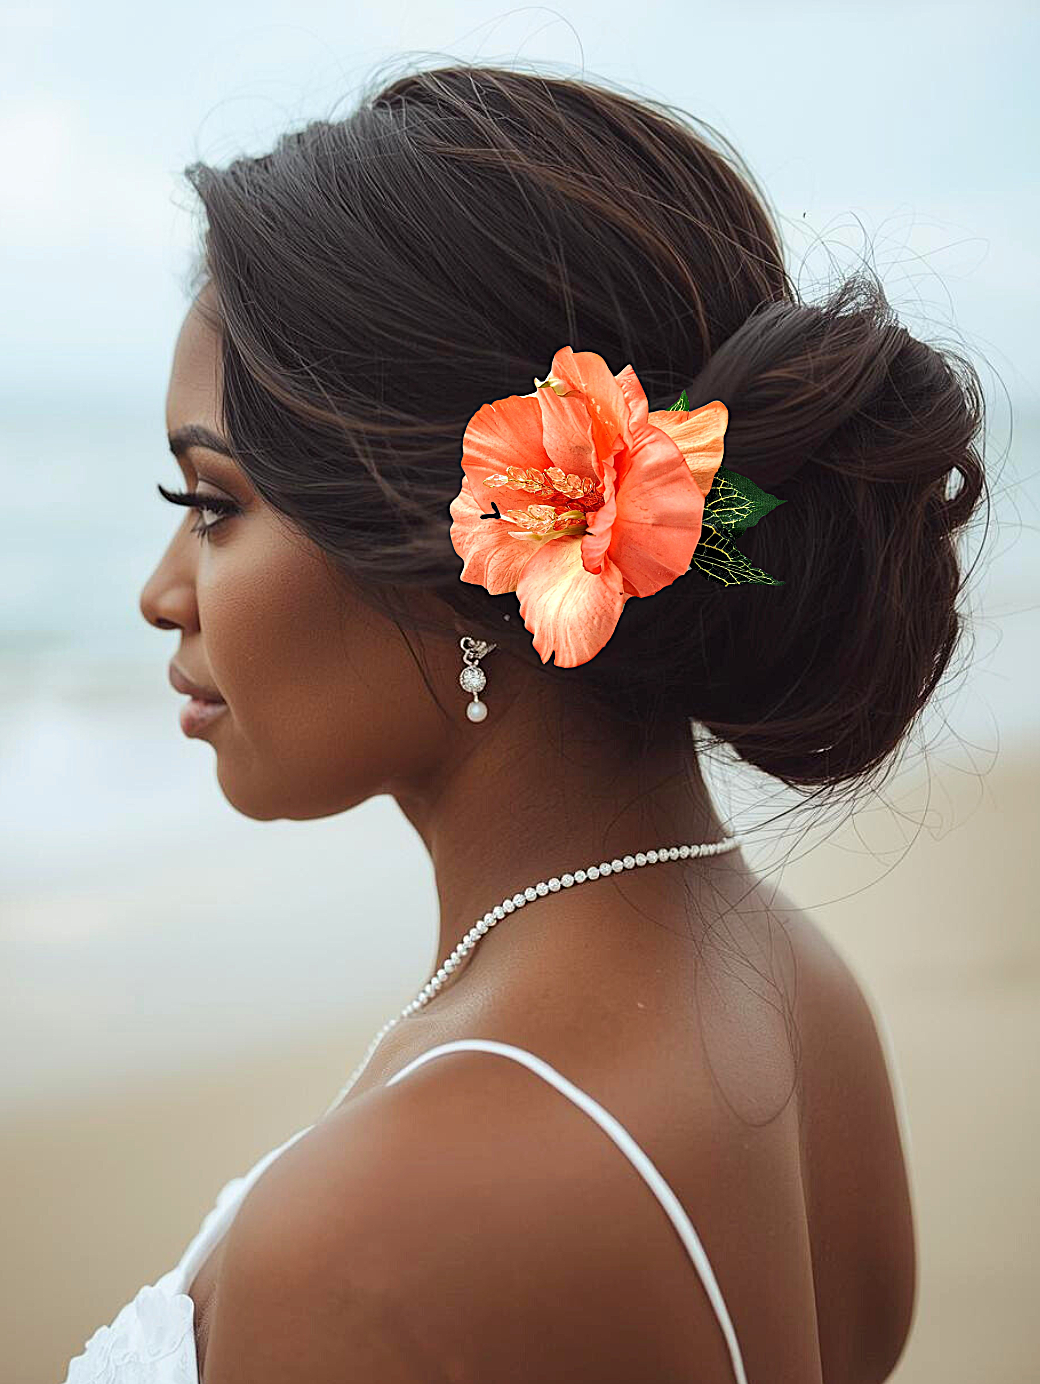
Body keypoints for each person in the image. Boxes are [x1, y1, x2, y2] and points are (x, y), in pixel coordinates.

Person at [67, 60, 987, 1384]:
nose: (163, 596)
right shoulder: (802, 998)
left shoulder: (363, 1246)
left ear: (466, 541)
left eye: (214, 507)